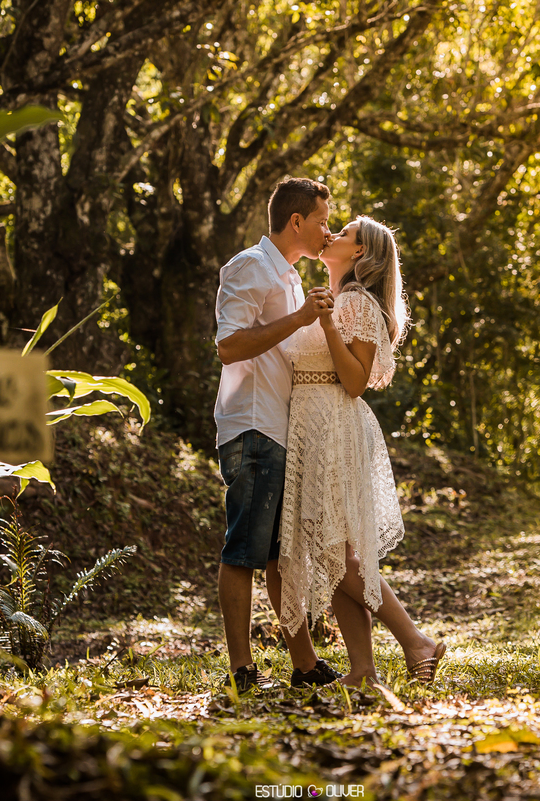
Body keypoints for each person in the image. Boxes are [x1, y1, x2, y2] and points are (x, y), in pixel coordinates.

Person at [278, 216, 446, 688]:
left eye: (346, 232)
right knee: (335, 550)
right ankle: (364, 671)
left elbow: (354, 382)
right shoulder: (333, 297)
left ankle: (415, 642)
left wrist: (327, 322)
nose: (333, 233)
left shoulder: (358, 305)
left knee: (336, 553)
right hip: (310, 423)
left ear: (359, 253)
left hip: (333, 424)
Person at [213, 177, 346, 692]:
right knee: (244, 549)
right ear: (297, 221)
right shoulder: (249, 265)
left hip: (279, 428)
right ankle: (243, 671)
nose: (326, 229)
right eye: (322, 219)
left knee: (276, 553)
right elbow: (228, 346)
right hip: (251, 425)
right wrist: (297, 318)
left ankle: (304, 666)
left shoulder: (289, 277)